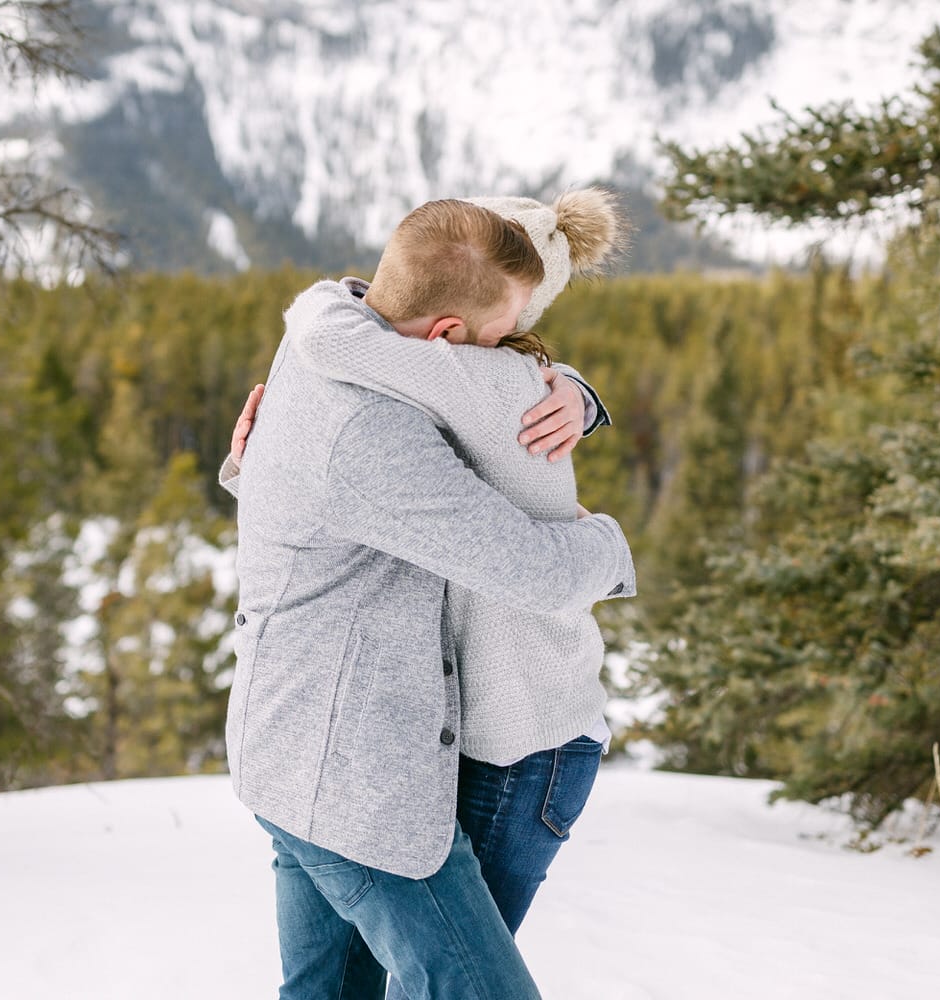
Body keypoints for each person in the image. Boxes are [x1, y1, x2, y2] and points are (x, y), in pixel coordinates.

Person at [218, 197, 635, 1000]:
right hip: (355, 789)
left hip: (285, 751)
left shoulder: (330, 327)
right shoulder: (375, 434)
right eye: (497, 342)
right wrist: (611, 546)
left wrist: (572, 392)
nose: (508, 357)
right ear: (445, 341)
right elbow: (538, 572)